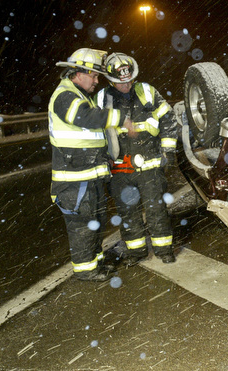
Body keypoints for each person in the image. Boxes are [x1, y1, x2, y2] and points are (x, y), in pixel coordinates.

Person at [50, 48, 135, 281]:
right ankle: (86, 271)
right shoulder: (65, 96)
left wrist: (105, 157)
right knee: (83, 226)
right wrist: (119, 118)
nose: (97, 81)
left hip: (88, 176)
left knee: (94, 223)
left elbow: (90, 136)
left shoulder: (80, 96)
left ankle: (95, 264)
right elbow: (85, 118)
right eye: (94, 76)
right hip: (74, 180)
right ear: (79, 73)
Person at [96, 52, 178, 266]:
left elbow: (168, 120)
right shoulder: (102, 98)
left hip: (150, 165)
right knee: (127, 213)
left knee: (156, 210)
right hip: (120, 170)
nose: (126, 85)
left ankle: (164, 250)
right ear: (110, 80)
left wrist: (167, 152)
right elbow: (96, 134)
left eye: (130, 80)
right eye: (120, 82)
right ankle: (137, 252)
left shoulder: (147, 92)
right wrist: (102, 162)